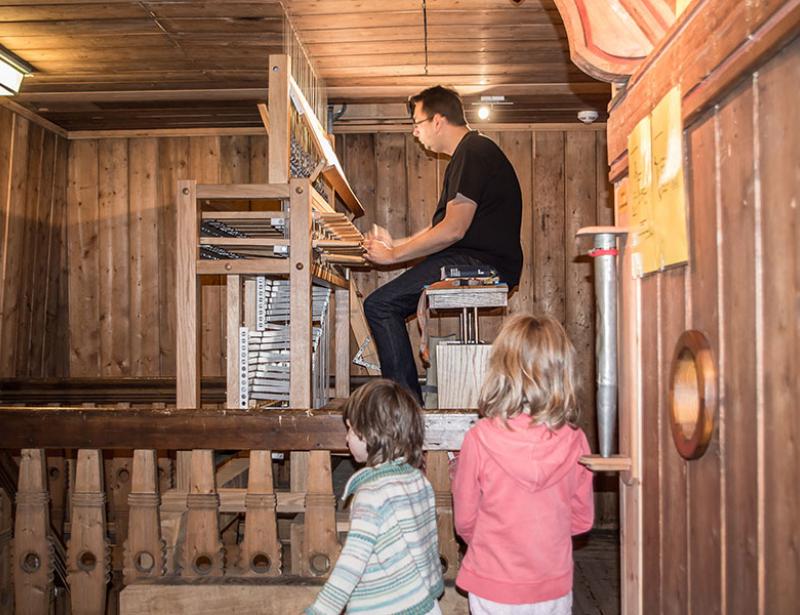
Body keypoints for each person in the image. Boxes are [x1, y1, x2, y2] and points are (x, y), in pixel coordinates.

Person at [363, 85, 523, 402]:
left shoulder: (473, 152)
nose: (415, 132)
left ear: (437, 121)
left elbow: (453, 230)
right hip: (476, 259)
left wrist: (392, 254)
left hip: (481, 264)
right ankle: (407, 406)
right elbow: (444, 229)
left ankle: (405, 410)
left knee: (380, 305)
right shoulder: (469, 153)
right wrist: (396, 244)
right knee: (382, 304)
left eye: (417, 124)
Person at [451, 313, 594, 615]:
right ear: (562, 372)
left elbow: (464, 520)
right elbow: (582, 519)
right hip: (552, 586)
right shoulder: (576, 441)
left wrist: (491, 543)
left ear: (500, 370)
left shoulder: (479, 438)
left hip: (492, 583)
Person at [305, 379, 444, 615]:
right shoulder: (417, 480)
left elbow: (351, 565)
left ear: (370, 433)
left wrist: (320, 611)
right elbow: (428, 546)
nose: (346, 438)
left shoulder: (372, 494)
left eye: (350, 429)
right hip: (424, 604)